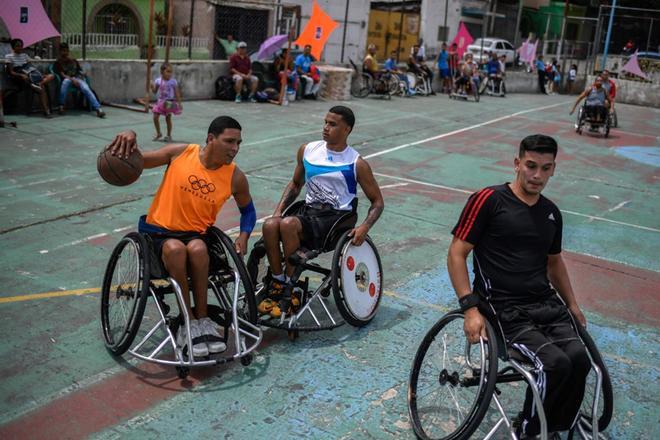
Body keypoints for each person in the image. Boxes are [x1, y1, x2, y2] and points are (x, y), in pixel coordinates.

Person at [447, 134, 589, 440]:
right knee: (554, 364)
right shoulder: (489, 200)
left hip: (545, 304)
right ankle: (529, 430)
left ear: (554, 170)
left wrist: (573, 305)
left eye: (545, 168)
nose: (537, 175)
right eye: (531, 166)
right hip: (502, 307)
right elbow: (457, 253)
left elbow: (554, 263)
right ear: (517, 164)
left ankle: (554, 426)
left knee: (579, 359)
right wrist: (470, 309)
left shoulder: (551, 213)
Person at [105, 116, 257, 358]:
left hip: (196, 235)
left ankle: (202, 320)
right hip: (158, 234)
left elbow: (248, 210)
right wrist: (130, 133)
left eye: (238, 143)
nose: (235, 148)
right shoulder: (180, 154)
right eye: (229, 141)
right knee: (175, 249)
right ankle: (186, 321)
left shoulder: (234, 177)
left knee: (197, 249)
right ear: (210, 139)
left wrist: (244, 235)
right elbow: (139, 161)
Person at [257, 106, 384, 318]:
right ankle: (278, 282)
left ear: (347, 129)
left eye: (332, 124)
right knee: (271, 224)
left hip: (334, 220)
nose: (326, 128)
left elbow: (378, 202)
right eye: (325, 122)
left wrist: (364, 226)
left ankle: (292, 286)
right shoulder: (308, 150)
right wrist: (278, 210)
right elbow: (296, 184)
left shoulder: (356, 162)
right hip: (308, 213)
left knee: (288, 225)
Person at [4, 38, 54, 118]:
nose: (20, 48)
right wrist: (21, 75)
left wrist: (39, 74)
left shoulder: (25, 55)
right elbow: (11, 72)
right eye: (17, 46)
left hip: (29, 74)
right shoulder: (9, 56)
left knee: (51, 76)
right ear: (13, 47)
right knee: (41, 88)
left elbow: (30, 67)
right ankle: (46, 111)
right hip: (19, 77)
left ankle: (38, 83)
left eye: (21, 46)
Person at [53, 42, 105, 118]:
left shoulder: (73, 60)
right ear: (60, 51)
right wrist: (72, 79)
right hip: (67, 79)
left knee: (86, 88)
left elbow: (79, 71)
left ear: (68, 51)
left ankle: (98, 109)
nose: (64, 52)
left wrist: (83, 73)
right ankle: (61, 106)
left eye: (66, 50)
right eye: (62, 51)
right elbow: (62, 75)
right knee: (65, 83)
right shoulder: (58, 62)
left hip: (77, 78)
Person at [151, 63, 182, 142]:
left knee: (168, 118)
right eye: (168, 71)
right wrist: (152, 86)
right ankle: (158, 133)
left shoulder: (173, 81)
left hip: (169, 102)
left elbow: (177, 92)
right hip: (160, 102)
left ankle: (168, 135)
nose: (170, 74)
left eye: (171, 72)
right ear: (162, 72)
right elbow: (155, 91)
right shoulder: (158, 81)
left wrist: (179, 103)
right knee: (155, 116)